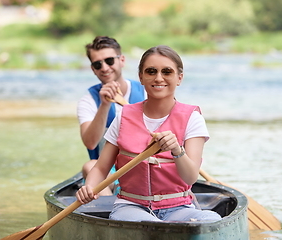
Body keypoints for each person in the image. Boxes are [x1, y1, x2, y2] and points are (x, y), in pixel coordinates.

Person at [75, 45, 222, 222]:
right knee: (152, 225)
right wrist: (89, 187)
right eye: (151, 72)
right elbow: (101, 167)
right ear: (141, 78)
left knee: (211, 219)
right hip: (130, 206)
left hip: (179, 208)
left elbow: (190, 177)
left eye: (167, 72)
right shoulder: (124, 117)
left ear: (179, 78)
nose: (158, 78)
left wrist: (177, 149)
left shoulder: (193, 118)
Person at [77, 36, 145, 195]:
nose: (105, 68)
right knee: (89, 166)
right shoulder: (88, 101)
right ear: (93, 69)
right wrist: (105, 105)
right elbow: (91, 143)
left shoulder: (146, 91)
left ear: (121, 60)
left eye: (109, 61)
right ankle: (112, 211)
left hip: (144, 165)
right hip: (108, 171)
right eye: (97, 64)